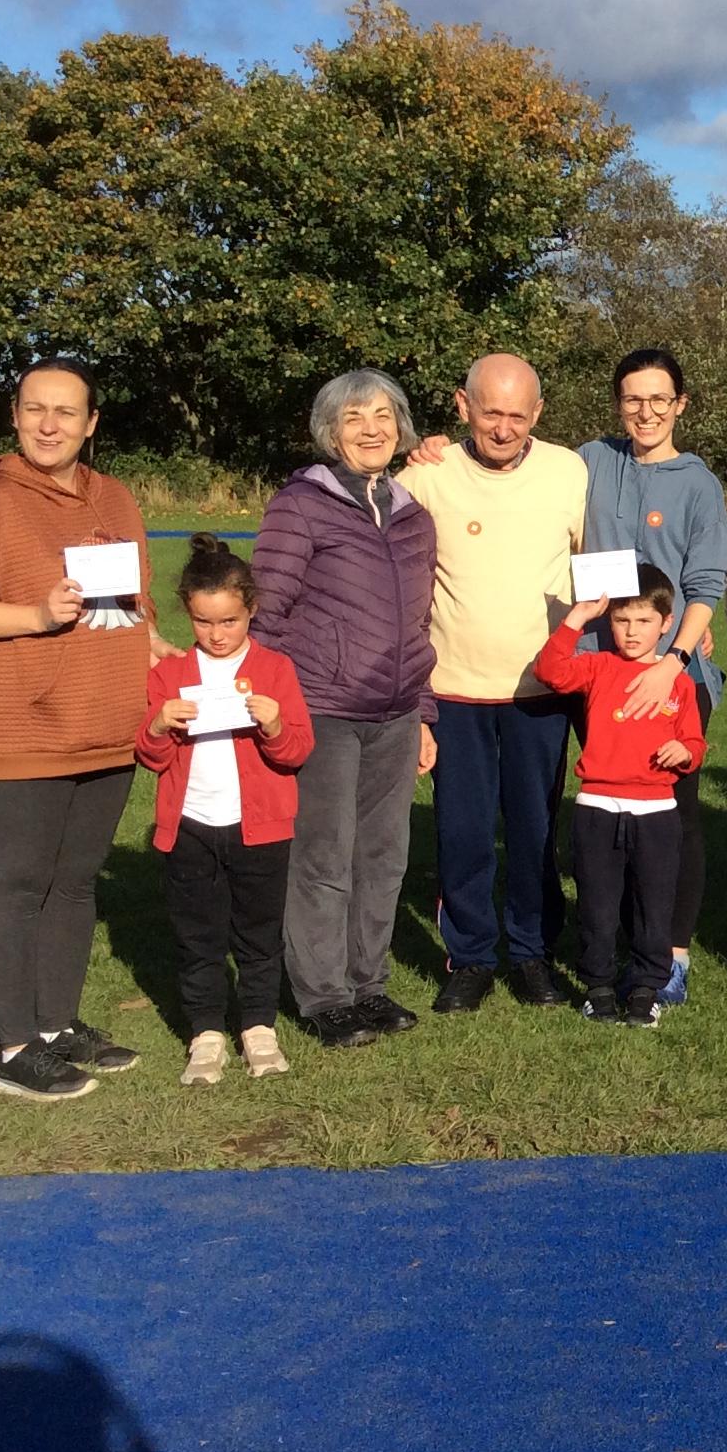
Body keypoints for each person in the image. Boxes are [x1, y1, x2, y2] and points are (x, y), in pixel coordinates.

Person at [0, 357, 159, 1102]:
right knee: (20, 884)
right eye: (35, 409)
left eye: (65, 412)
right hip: (21, 727)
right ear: (16, 416)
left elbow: (129, 605)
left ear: (91, 424)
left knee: (75, 882)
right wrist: (34, 615)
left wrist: (158, 648)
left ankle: (56, 1026)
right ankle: (15, 1048)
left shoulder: (115, 498)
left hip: (108, 724)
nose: (48, 425)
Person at [250, 369, 438, 1049]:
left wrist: (424, 713)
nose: (371, 429)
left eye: (383, 416)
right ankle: (325, 996)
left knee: (384, 859)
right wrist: (268, 703)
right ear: (330, 431)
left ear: (401, 426)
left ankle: (369, 985)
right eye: (354, 417)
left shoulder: (414, 517)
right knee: (325, 858)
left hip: (396, 712)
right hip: (322, 710)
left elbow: (420, 624)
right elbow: (266, 613)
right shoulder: (300, 506)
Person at [399, 353, 586, 1013]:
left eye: (517, 415)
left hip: (542, 691)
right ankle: (472, 957)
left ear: (537, 413)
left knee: (535, 829)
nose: (503, 429)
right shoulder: (428, 474)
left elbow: (598, 562)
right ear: (462, 405)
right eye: (489, 413)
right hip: (454, 690)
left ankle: (532, 953)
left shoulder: (569, 470)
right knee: (465, 832)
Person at [573, 348, 727, 1006]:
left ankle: (671, 953)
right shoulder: (589, 461)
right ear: (618, 403)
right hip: (603, 672)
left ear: (680, 405)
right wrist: (443, 448)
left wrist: (673, 663)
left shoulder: (699, 483)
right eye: (633, 399)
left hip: (674, 674)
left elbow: (707, 583)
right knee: (610, 818)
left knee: (673, 821)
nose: (646, 412)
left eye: (659, 399)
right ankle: (611, 945)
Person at [134, 534, 314, 1085]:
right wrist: (158, 725)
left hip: (261, 829)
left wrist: (275, 725)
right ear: (188, 614)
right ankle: (206, 1033)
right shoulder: (169, 674)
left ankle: (259, 1028)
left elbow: (298, 751)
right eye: (203, 622)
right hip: (190, 827)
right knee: (198, 937)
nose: (216, 634)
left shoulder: (275, 669)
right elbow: (152, 757)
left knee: (259, 934)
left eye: (229, 621)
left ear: (251, 610)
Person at [534, 564, 705, 1029]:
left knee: (654, 907)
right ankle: (599, 989)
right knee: (597, 905)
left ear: (666, 623)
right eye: (621, 620)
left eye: (644, 621)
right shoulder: (599, 667)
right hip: (597, 809)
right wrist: (576, 618)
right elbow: (549, 671)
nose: (631, 631)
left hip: (657, 813)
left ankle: (647, 990)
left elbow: (695, 743)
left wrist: (684, 752)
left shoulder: (678, 682)